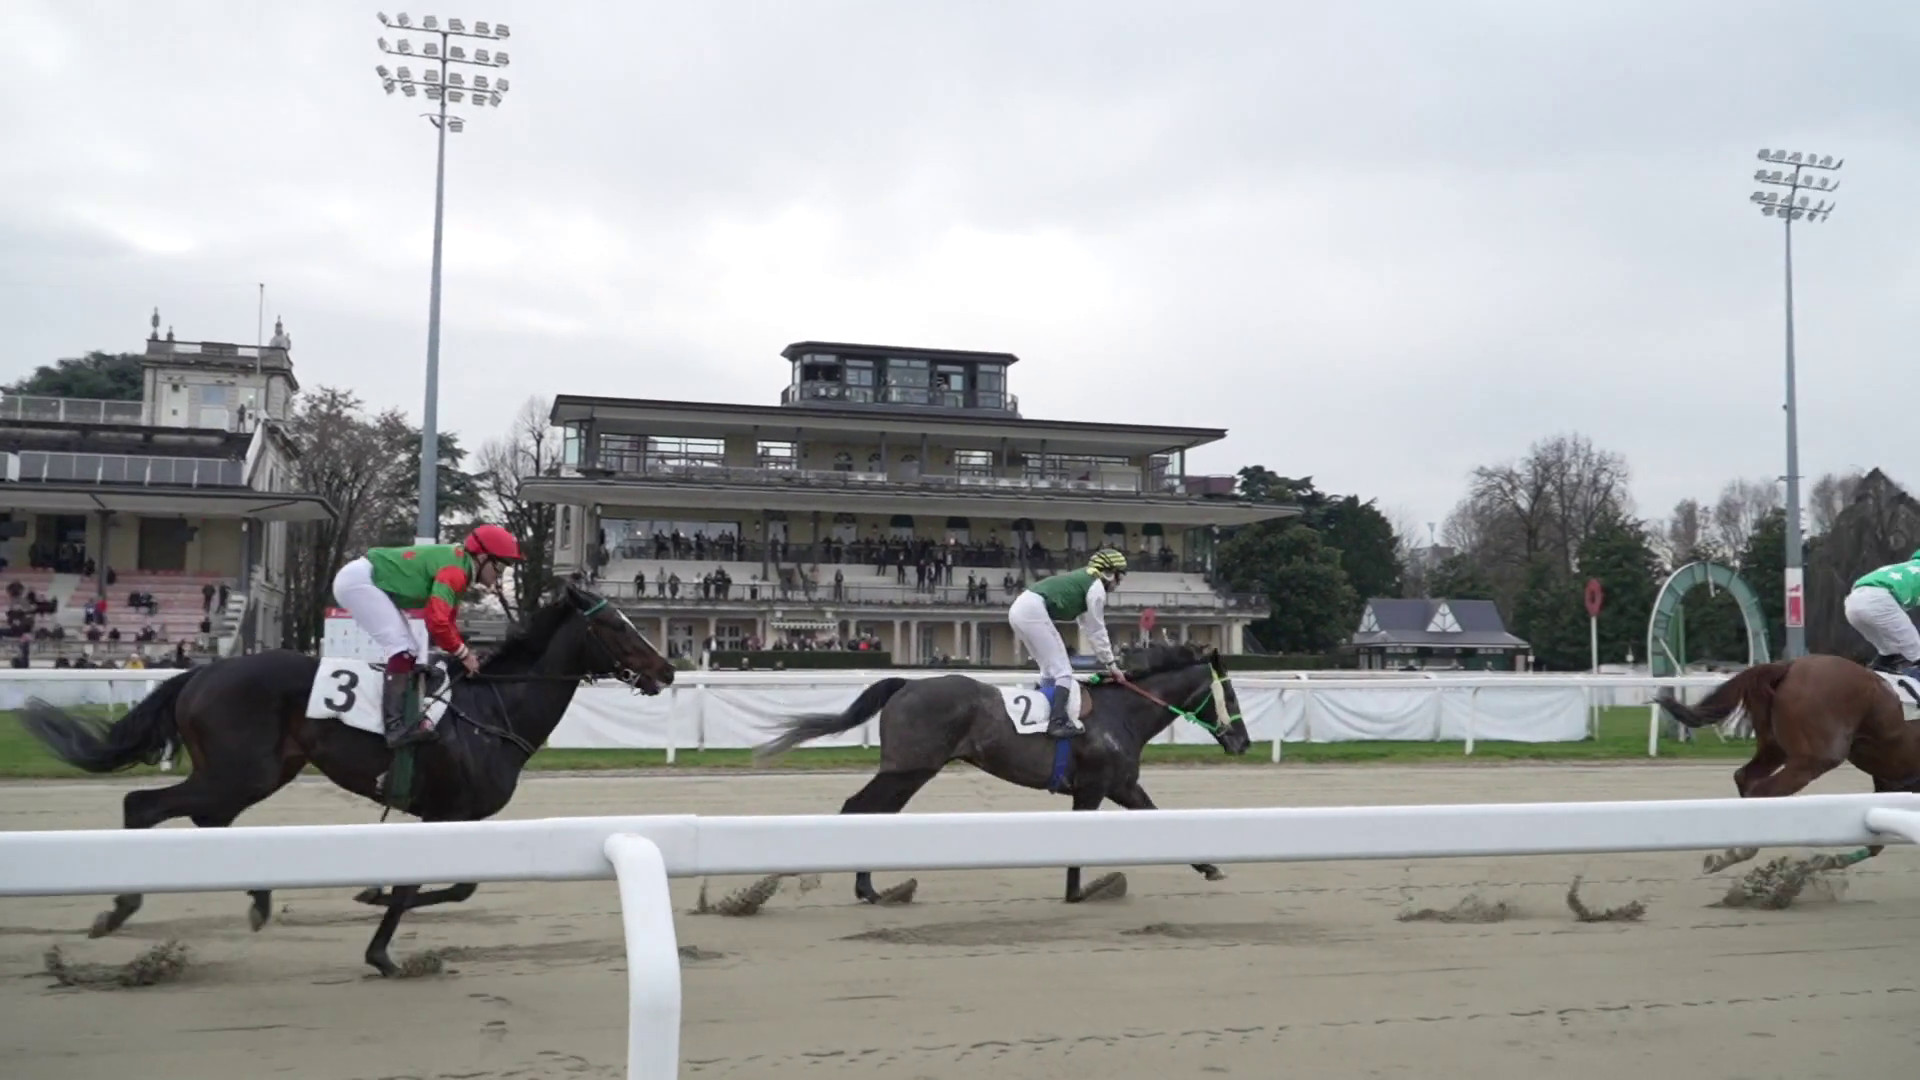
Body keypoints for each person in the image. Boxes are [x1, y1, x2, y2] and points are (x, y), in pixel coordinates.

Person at [330, 524, 524, 748]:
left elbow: (446, 621)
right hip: (360, 581)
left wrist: (463, 651)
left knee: (408, 650)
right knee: (402, 649)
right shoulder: (456, 571)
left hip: (363, 577)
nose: (500, 573)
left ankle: (401, 716)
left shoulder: (460, 565)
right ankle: (394, 728)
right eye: (500, 565)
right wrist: (463, 654)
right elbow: (437, 622)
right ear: (482, 557)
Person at [1007, 548, 1128, 737]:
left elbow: (1087, 625)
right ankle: (1057, 721)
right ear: (1110, 573)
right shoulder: (1096, 588)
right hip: (1031, 610)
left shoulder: (1085, 581)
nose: (1119, 583)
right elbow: (1097, 629)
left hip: (1020, 608)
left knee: (1049, 670)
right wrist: (1112, 665)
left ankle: (1044, 715)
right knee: (1063, 671)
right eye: (1120, 576)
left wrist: (1108, 661)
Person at [1843, 548, 1920, 680]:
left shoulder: (1908, 567)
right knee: (1916, 654)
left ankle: (1872, 683)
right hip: (1879, 599)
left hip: (1853, 602)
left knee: (1890, 653)